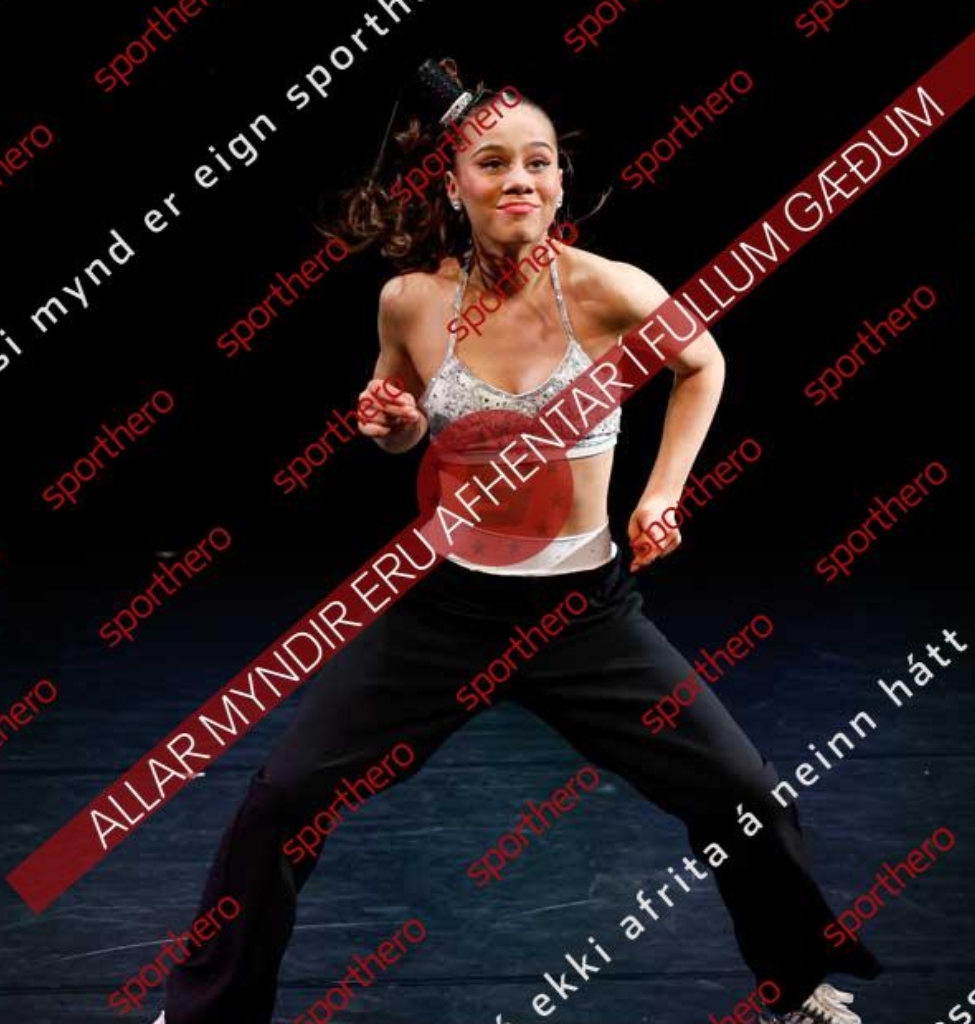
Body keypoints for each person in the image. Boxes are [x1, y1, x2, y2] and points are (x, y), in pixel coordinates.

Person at [159, 60, 881, 1024]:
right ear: (454, 184)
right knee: (283, 799)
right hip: (445, 612)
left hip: (584, 618)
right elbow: (403, 422)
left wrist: (662, 494)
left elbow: (701, 361)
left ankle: (796, 987)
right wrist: (391, 427)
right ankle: (210, 1014)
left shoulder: (607, 290)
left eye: (538, 162)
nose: (520, 181)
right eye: (493, 163)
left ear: (560, 182)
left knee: (744, 793)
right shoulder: (411, 302)